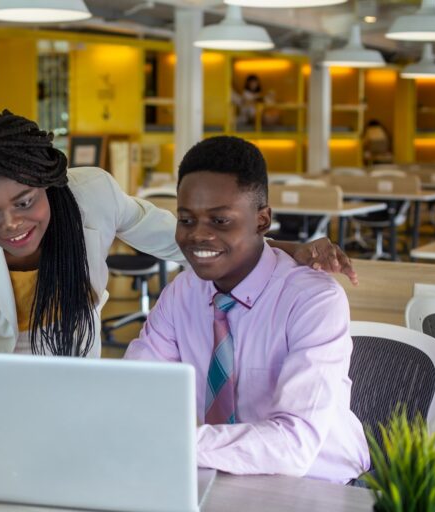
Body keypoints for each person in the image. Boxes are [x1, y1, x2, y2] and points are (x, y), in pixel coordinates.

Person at [0, 110, 358, 474]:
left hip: (310, 481)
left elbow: (185, 240)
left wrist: (284, 251)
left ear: (46, 186)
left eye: (24, 203)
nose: (11, 225)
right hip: (0, 388)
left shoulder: (92, 197)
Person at [124, 136, 370, 484]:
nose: (198, 236)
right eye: (186, 219)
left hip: (321, 485)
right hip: (221, 477)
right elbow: (133, 390)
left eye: (220, 221)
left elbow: (294, 444)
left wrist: (173, 443)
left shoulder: (313, 300)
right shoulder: (181, 294)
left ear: (262, 220)